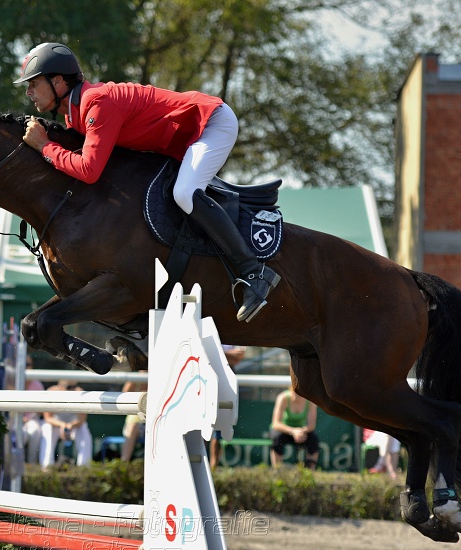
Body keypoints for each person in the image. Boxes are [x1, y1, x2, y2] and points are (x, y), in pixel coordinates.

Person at [15, 42, 280, 323]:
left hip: (212, 123)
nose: (29, 91)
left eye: (33, 83)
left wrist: (44, 147)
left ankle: (254, 272)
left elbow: (89, 170)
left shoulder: (96, 103)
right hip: (188, 137)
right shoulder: (76, 113)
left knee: (185, 193)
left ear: (57, 81)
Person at [39, 380, 92, 467]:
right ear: (60, 387)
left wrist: (70, 425)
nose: (71, 390)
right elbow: (48, 418)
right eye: (68, 387)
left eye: (73, 387)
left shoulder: (81, 393)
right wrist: (62, 425)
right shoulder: (51, 393)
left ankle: (84, 466)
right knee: (47, 429)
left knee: (84, 430)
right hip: (56, 424)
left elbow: (82, 419)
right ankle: (47, 466)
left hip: (74, 425)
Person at [209, 345, 245, 470]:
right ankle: (212, 466)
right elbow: (206, 352)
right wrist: (227, 355)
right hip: (208, 378)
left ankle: (214, 467)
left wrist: (218, 354)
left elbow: (238, 356)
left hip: (228, 382)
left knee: (221, 426)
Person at [270, 385, 319, 469]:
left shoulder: (311, 401)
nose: (298, 396)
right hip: (284, 430)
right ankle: (276, 470)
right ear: (291, 390)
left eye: (301, 393)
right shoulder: (283, 398)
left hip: (301, 432)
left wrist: (300, 431)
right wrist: (293, 431)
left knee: (313, 439)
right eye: (296, 392)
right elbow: (276, 424)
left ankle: (310, 471)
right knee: (277, 438)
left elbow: (311, 426)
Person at [21, 356, 46, 464]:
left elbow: (43, 410)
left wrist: (30, 414)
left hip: (32, 420)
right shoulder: (11, 382)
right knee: (19, 435)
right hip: (14, 419)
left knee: (35, 431)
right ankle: (16, 464)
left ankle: (31, 464)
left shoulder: (37, 384)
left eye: (28, 364)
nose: (26, 367)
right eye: (24, 364)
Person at [120, 372, 147, 461]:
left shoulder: (158, 379)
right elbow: (122, 400)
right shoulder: (133, 380)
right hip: (134, 424)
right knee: (133, 427)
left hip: (152, 424)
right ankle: (124, 463)